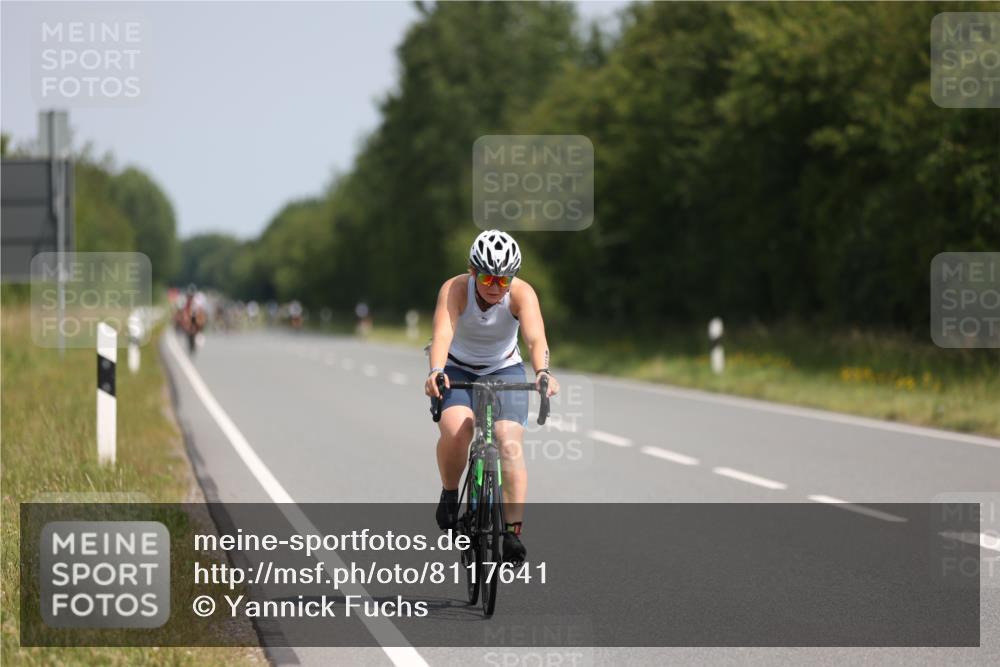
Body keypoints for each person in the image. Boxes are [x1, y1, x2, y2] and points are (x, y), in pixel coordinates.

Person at [424, 229, 559, 564]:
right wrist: (435, 370)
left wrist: (543, 372)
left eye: (503, 280)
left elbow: (536, 339)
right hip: (458, 368)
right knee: (458, 431)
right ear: (473, 271)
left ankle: (512, 533)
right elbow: (442, 333)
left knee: (508, 442)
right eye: (487, 277)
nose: (495, 286)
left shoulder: (521, 294)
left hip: (504, 368)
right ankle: (450, 492)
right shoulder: (456, 289)